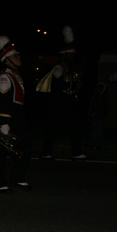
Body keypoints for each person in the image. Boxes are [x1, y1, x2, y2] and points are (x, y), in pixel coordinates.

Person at [0, 36, 33, 192]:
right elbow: (3, 101)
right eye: (14, 56)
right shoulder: (6, 77)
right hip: (7, 118)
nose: (18, 58)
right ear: (7, 60)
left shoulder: (15, 75)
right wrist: (3, 123)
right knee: (0, 152)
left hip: (17, 117)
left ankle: (17, 178)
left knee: (25, 147)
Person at [36, 26, 87, 159]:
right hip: (59, 104)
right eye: (70, 54)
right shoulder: (59, 68)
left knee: (74, 129)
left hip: (67, 103)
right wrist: (73, 85)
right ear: (65, 55)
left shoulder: (70, 68)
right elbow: (58, 85)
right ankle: (45, 153)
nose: (72, 56)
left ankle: (75, 152)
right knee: (53, 130)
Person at [88, 83, 109, 150]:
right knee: (94, 132)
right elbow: (91, 107)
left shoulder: (103, 99)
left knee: (99, 132)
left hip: (99, 117)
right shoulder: (94, 98)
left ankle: (100, 145)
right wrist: (90, 115)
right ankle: (95, 144)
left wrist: (104, 117)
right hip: (94, 117)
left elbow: (105, 109)